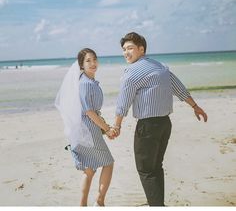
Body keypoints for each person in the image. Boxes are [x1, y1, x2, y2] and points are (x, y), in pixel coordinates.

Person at [113, 32, 208, 206]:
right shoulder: (161, 67)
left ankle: (156, 206)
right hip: (165, 124)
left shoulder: (131, 72)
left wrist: (117, 126)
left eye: (130, 48)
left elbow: (123, 103)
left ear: (141, 49)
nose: (126, 53)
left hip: (147, 127)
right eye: (124, 49)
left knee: (145, 169)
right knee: (156, 166)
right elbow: (178, 88)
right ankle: (157, 203)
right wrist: (195, 106)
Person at [55, 48, 115, 206]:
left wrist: (104, 126)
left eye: (94, 59)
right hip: (88, 128)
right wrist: (107, 129)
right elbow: (89, 112)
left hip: (85, 127)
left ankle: (83, 206)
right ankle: (99, 202)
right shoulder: (86, 84)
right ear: (81, 64)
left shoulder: (87, 81)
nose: (93, 63)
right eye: (88, 60)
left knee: (89, 169)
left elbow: (91, 111)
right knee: (108, 163)